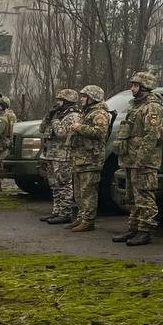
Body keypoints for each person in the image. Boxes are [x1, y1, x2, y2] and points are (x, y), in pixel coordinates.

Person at [112, 71, 163, 247]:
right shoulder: (136, 106)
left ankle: (145, 230)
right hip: (132, 159)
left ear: (145, 87)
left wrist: (140, 160)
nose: (132, 89)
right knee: (134, 197)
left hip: (144, 162)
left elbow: (151, 136)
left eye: (136, 86)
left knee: (145, 196)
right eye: (133, 85)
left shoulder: (152, 108)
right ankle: (134, 228)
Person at [65, 85, 112, 233]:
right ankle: (81, 217)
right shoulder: (87, 113)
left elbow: (100, 132)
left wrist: (78, 127)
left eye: (85, 96)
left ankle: (88, 221)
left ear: (93, 98)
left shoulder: (99, 114)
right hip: (80, 159)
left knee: (88, 192)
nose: (81, 99)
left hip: (91, 159)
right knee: (79, 192)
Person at [39, 89, 82, 224]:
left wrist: (55, 120)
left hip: (64, 156)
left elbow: (62, 134)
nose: (57, 102)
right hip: (51, 155)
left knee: (64, 184)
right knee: (54, 184)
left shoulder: (73, 116)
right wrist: (48, 116)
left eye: (60, 100)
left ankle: (65, 213)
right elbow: (42, 129)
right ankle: (56, 211)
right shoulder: (57, 114)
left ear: (67, 101)